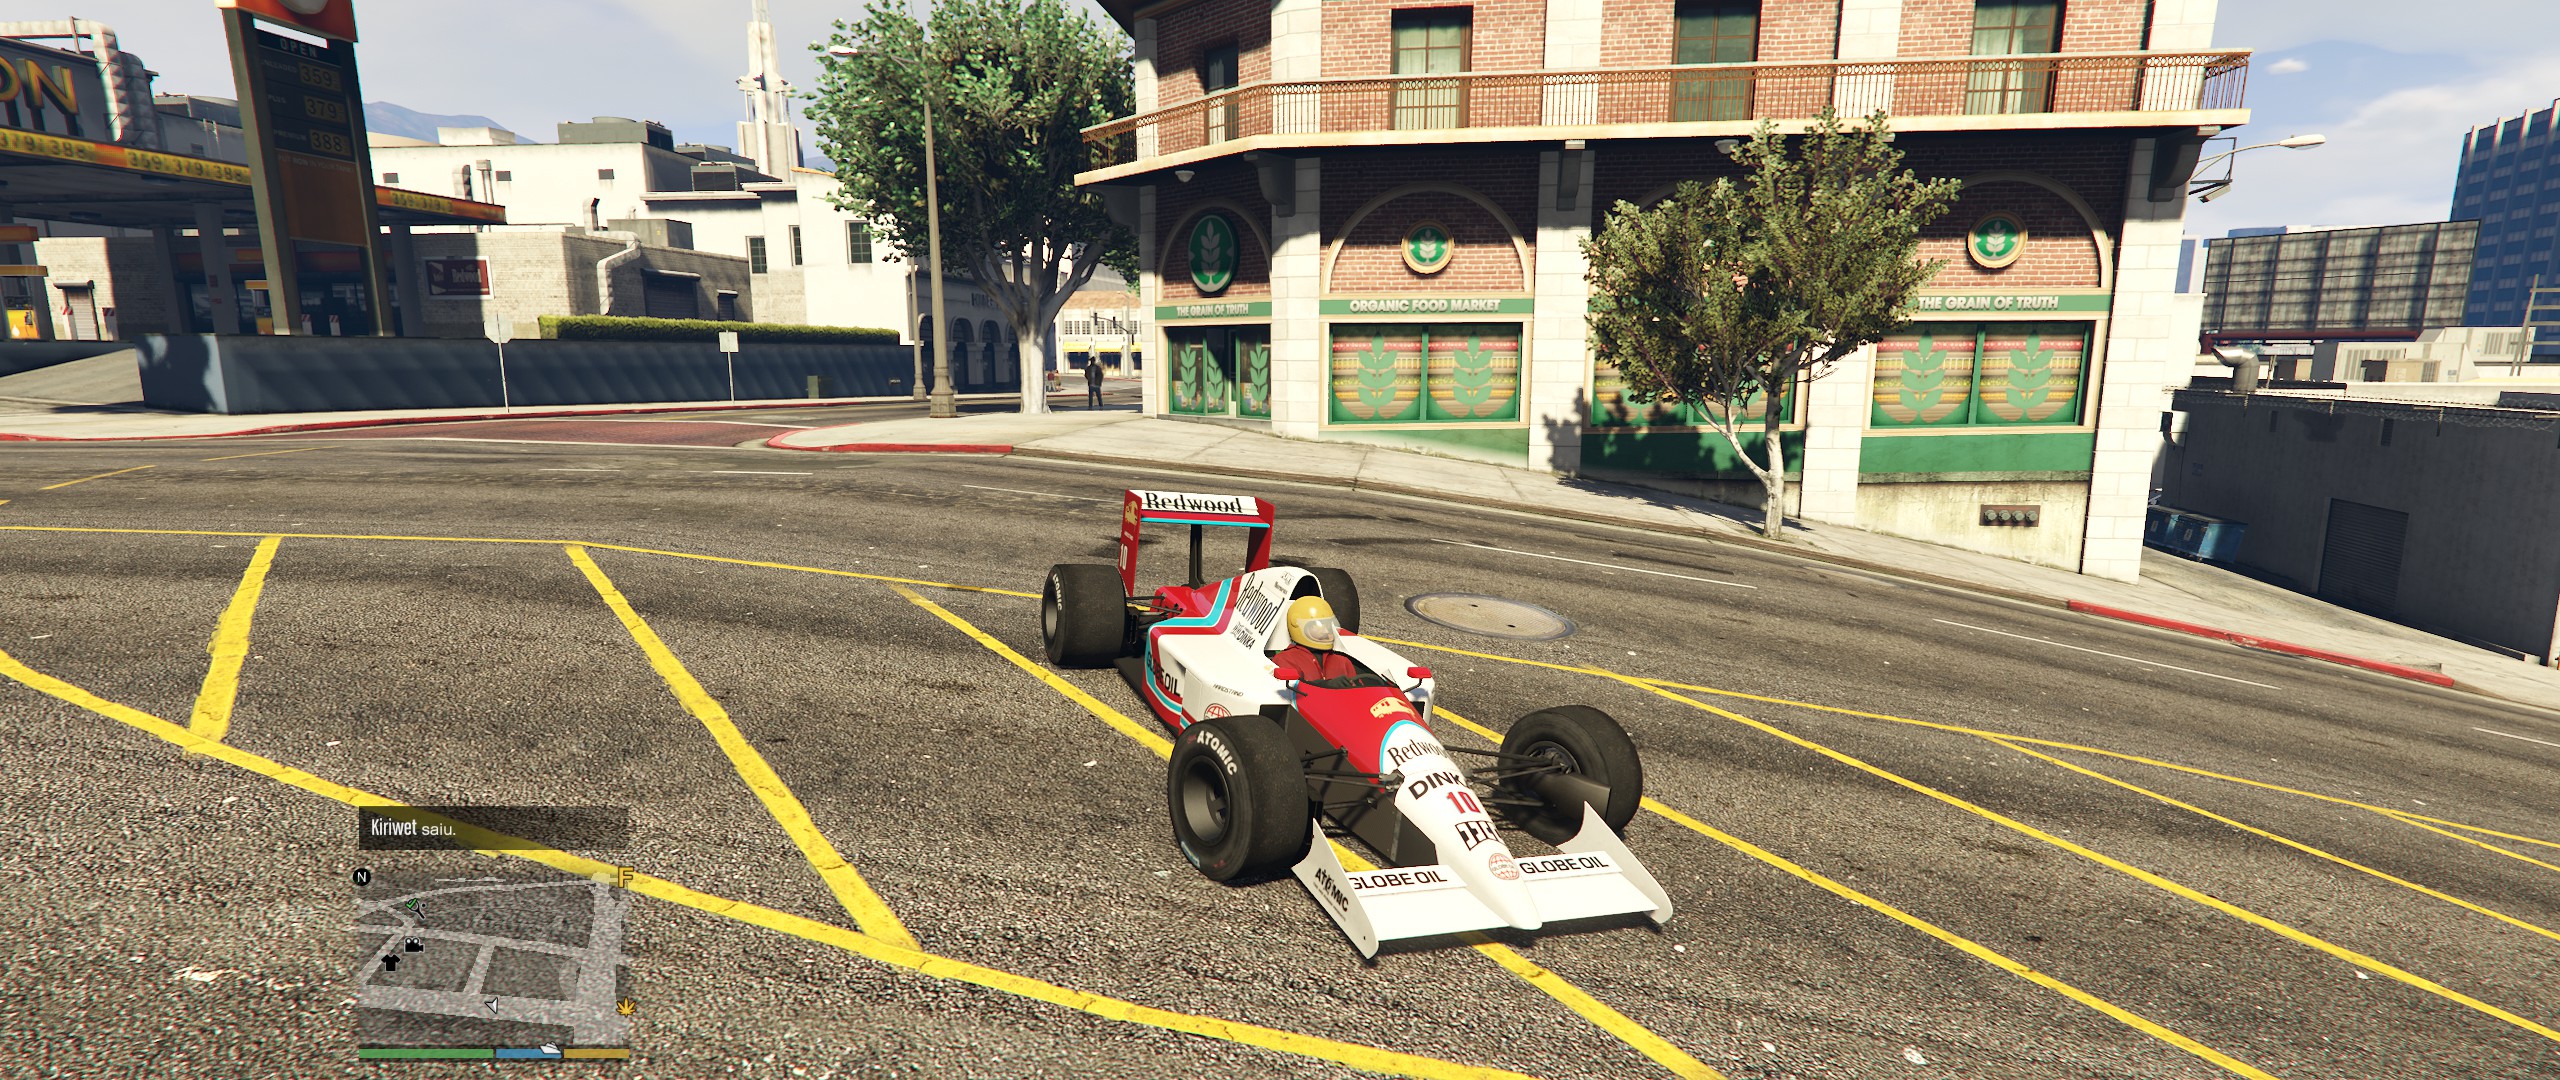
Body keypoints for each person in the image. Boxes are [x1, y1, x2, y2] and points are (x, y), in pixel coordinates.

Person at [1270, 596, 1358, 682]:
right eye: (1319, 625)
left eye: (1327, 624)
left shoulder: (1343, 662)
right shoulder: (1285, 660)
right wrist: (1330, 685)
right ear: (1299, 626)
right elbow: (1290, 690)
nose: (1326, 631)